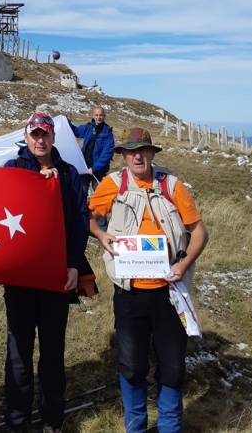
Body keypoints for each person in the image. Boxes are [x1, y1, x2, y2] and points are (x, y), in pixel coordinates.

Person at [88, 128, 209, 433]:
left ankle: (169, 427)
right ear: (124, 156)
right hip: (129, 294)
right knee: (131, 364)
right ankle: (136, 427)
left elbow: (199, 232)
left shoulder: (172, 186)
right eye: (131, 151)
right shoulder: (112, 185)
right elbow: (89, 218)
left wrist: (183, 264)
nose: (137, 156)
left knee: (173, 365)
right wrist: (101, 234)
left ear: (153, 153)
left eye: (143, 150)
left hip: (170, 292)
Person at [2, 112, 89, 433]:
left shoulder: (68, 174)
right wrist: (36, 185)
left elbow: (80, 223)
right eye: (34, 134)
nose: (40, 140)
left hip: (56, 277)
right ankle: (18, 422)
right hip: (21, 277)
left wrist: (73, 265)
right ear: (26, 137)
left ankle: (52, 420)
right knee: (19, 354)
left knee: (53, 353)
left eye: (45, 134)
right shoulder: (12, 170)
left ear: (53, 137)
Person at [69, 106, 115, 200]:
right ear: (93, 115)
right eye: (96, 115)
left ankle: (100, 215)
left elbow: (107, 154)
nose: (98, 117)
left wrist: (94, 168)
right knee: (81, 194)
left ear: (104, 116)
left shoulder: (108, 133)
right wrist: (66, 122)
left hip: (98, 171)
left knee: (100, 196)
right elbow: (76, 131)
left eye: (101, 115)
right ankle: (82, 214)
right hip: (84, 168)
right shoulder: (88, 128)